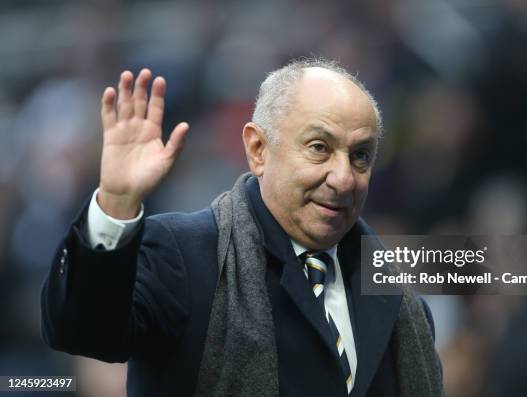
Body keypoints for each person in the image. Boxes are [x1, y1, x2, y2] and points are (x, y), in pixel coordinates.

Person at [40, 58, 444, 397]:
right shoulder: (183, 256)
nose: (342, 178)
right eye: (319, 148)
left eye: (360, 156)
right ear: (258, 150)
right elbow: (83, 332)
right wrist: (117, 203)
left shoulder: (402, 302)